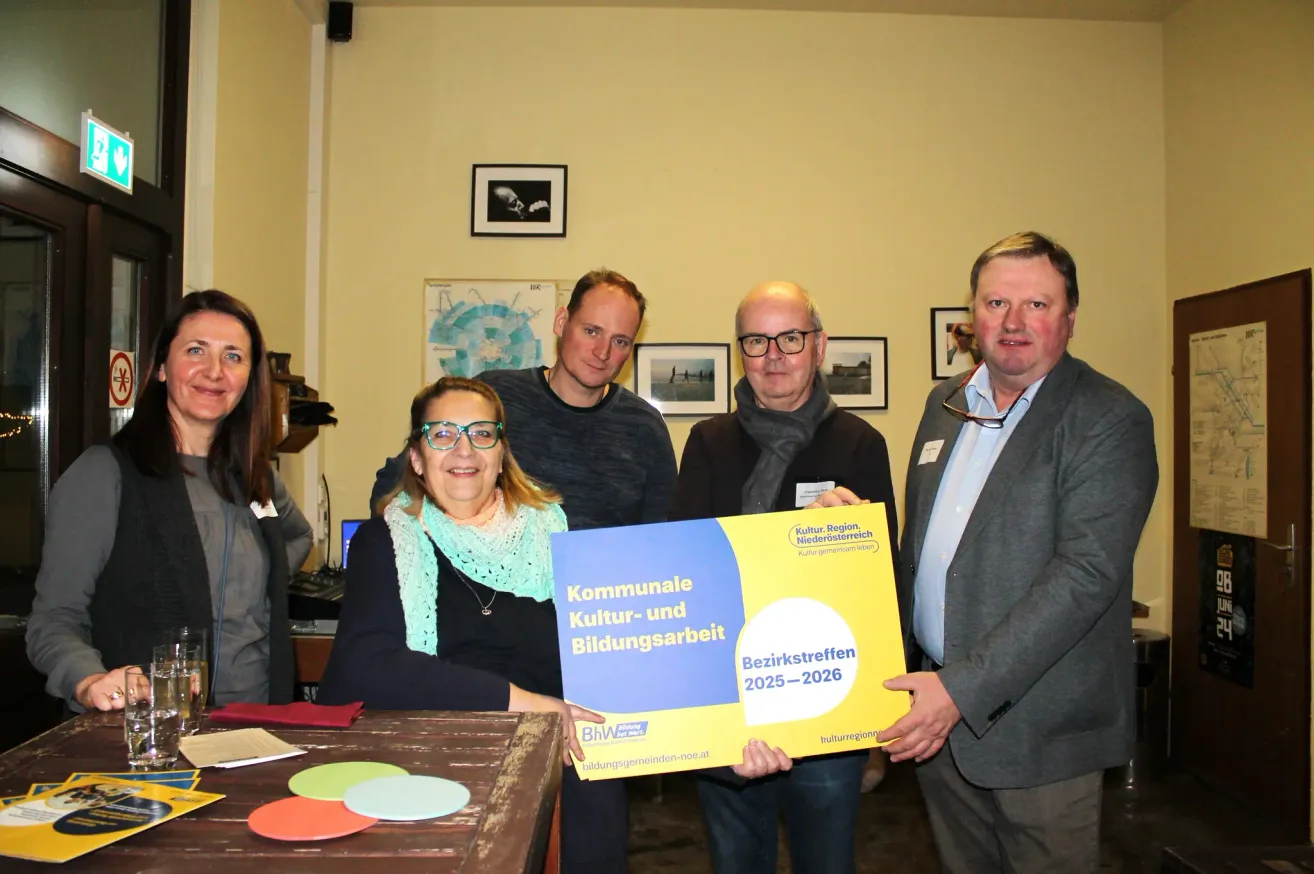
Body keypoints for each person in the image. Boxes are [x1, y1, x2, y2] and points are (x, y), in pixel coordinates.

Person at [323, 377, 784, 874]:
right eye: (443, 434)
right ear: (416, 457)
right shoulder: (384, 543)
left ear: (502, 452)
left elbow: (629, 667)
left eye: (482, 433)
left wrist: (724, 749)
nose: (464, 449)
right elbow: (366, 667)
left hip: (571, 776)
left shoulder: (559, 541)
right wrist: (528, 706)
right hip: (441, 774)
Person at [816, 231, 1158, 873]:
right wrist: (849, 538)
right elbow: (927, 551)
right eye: (997, 303)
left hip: (1039, 730)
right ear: (972, 315)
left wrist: (960, 690)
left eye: (1037, 304)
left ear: (1070, 317)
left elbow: (1086, 577)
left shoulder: (1108, 418)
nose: (1014, 321)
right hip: (937, 718)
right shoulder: (944, 404)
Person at [668, 281, 900, 874]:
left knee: (826, 861)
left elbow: (885, 586)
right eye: (756, 340)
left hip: (826, 696)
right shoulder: (707, 442)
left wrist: (846, 544)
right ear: (740, 351)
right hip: (729, 698)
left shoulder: (860, 444)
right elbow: (684, 570)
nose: (773, 355)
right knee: (735, 860)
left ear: (818, 345)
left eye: (790, 338)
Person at [26, 290, 314, 713]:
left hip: (258, 725)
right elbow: (52, 621)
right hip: (150, 731)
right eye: (196, 350)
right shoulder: (104, 474)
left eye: (233, 356)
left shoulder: (256, 478)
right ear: (162, 366)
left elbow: (298, 536)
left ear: (249, 380)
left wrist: (257, 586)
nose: (214, 371)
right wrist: (87, 680)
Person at [371, 268, 677, 533]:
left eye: (620, 341)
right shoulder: (493, 397)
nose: (603, 352)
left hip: (603, 583)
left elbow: (665, 538)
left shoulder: (645, 426)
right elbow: (395, 486)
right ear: (561, 322)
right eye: (591, 331)